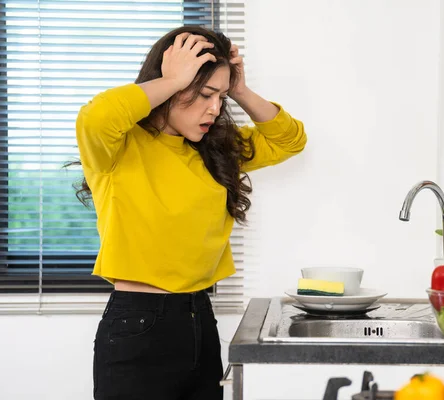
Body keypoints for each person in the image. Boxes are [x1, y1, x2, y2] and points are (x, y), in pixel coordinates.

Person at [74, 25, 307, 400]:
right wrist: (171, 79)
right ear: (171, 86)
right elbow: (95, 116)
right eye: (203, 94)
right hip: (139, 324)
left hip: (200, 318)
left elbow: (290, 140)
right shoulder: (118, 149)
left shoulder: (215, 151)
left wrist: (241, 90)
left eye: (220, 96)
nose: (215, 108)